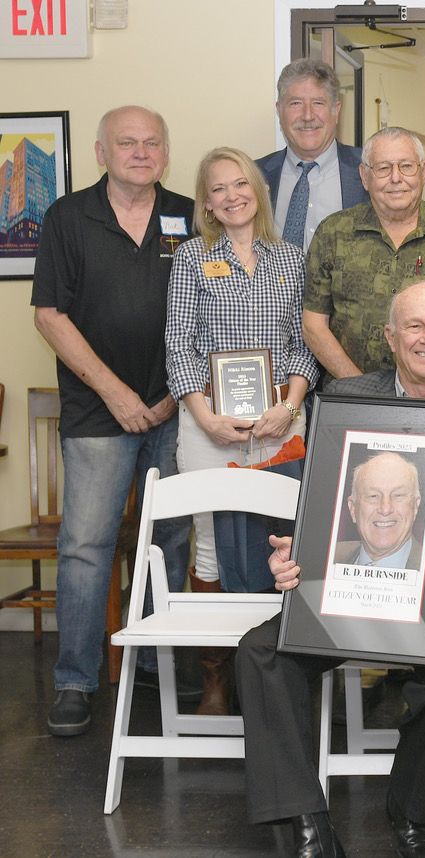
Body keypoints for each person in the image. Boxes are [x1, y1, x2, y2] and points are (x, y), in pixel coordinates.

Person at [235, 280, 425, 858]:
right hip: (352, 580)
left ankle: (409, 805)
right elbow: (318, 500)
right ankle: (305, 821)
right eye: (414, 327)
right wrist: (292, 549)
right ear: (390, 337)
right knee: (260, 652)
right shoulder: (345, 397)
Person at [32, 105, 193, 737]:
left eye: (152, 142)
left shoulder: (187, 213)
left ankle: (153, 662)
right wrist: (118, 394)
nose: (140, 151)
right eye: (126, 143)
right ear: (101, 152)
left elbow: (215, 305)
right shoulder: (68, 218)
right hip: (99, 413)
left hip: (176, 409)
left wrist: (180, 394)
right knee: (86, 548)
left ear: (166, 151)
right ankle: (75, 680)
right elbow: (49, 315)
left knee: (169, 541)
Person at [165, 146, 318, 714]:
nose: (231, 196)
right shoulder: (190, 259)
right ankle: (216, 680)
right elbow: (178, 345)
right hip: (208, 425)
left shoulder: (290, 258)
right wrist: (205, 417)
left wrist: (291, 403)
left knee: (281, 545)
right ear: (206, 202)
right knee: (210, 551)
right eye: (218, 189)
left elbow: (303, 345)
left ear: (259, 189)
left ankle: (276, 676)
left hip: (281, 423)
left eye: (240, 184)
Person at [303, 126, 425, 382]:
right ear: (365, 176)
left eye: (407, 166)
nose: (396, 178)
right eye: (383, 168)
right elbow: (313, 326)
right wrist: (359, 387)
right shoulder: (333, 233)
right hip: (349, 396)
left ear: (424, 171)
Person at [257, 57, 368, 251]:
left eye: (318, 103)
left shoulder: (370, 171)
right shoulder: (254, 175)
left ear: (336, 110)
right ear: (279, 111)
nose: (308, 116)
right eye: (296, 103)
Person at [335, 451, 424, 568]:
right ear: (353, 508)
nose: (385, 508)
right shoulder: (322, 560)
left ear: (415, 506)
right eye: (373, 496)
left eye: (398, 495)